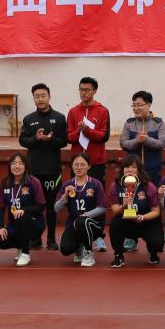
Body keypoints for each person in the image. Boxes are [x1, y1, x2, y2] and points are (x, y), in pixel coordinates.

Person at [18, 83, 67, 251]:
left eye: (43, 95)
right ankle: (35, 238)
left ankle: (51, 239)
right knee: (34, 205)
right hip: (34, 170)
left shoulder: (59, 118)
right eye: (37, 96)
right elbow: (23, 140)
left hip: (52, 170)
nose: (40, 99)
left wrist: (51, 139)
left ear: (49, 96)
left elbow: (64, 141)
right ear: (33, 98)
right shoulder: (28, 119)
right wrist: (36, 139)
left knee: (51, 206)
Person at [67, 77, 110, 252]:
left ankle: (99, 236)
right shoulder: (73, 111)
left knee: (98, 199)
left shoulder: (102, 110)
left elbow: (104, 136)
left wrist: (88, 130)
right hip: (77, 164)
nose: (83, 93)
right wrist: (79, 131)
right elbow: (68, 137)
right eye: (81, 89)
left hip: (96, 162)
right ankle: (77, 234)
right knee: (76, 199)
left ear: (94, 91)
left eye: (87, 90)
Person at [108, 154, 164, 268]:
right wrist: (123, 205)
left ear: (139, 169)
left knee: (157, 243)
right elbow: (115, 211)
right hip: (127, 221)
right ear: (122, 169)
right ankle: (118, 255)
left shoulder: (148, 186)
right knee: (115, 224)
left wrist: (142, 217)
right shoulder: (115, 186)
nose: (130, 170)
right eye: (127, 167)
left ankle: (153, 253)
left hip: (146, 221)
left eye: (133, 167)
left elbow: (156, 211)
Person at [54, 153, 106, 268]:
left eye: (82, 164)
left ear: (89, 166)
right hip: (73, 224)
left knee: (82, 221)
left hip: (93, 224)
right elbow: (57, 209)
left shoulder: (96, 184)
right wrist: (64, 197)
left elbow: (102, 208)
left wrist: (86, 215)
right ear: (72, 166)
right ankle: (79, 246)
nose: (79, 167)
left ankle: (88, 252)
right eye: (76, 164)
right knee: (65, 249)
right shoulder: (67, 185)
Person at [0, 152, 46, 267]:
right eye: (14, 163)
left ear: (26, 166)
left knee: (22, 217)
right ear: (9, 166)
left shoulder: (33, 182)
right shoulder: (5, 182)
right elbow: (0, 206)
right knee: (0, 240)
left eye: (20, 163)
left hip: (34, 223)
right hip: (15, 224)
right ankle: (20, 246)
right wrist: (1, 227)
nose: (17, 166)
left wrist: (24, 210)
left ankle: (25, 253)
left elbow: (41, 205)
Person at [121, 91, 165, 186]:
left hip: (153, 170)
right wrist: (137, 141)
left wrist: (147, 139)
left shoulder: (158, 123)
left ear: (148, 105)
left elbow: (162, 143)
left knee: (153, 193)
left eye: (139, 105)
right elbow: (123, 143)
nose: (135, 108)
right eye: (134, 105)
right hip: (132, 171)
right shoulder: (129, 123)